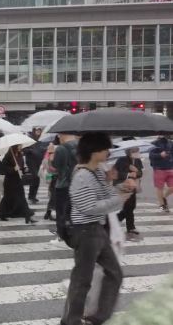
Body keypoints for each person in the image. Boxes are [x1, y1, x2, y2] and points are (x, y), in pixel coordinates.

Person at [61, 132, 135, 325]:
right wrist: (119, 199)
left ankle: (98, 317)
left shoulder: (97, 172)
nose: (108, 152)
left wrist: (118, 185)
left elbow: (107, 197)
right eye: (105, 149)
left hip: (98, 230)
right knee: (82, 279)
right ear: (94, 151)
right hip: (85, 231)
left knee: (114, 273)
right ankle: (71, 320)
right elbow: (88, 207)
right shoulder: (82, 175)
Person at [0, 145, 37, 224]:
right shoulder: (8, 156)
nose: (21, 147)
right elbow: (4, 169)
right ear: (15, 146)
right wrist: (13, 169)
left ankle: (28, 215)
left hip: (18, 180)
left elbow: (21, 167)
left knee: (22, 197)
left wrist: (24, 169)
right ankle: (1, 214)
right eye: (19, 145)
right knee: (7, 198)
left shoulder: (20, 155)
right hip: (10, 181)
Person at [53, 133, 79, 241]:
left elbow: (55, 167)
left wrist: (51, 154)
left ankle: (62, 233)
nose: (58, 137)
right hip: (77, 183)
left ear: (63, 135)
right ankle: (74, 231)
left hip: (63, 184)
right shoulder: (80, 146)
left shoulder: (60, 148)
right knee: (74, 209)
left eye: (59, 135)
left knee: (61, 211)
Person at [115, 147, 144, 241]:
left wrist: (136, 171)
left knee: (131, 206)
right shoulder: (121, 160)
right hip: (123, 185)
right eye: (134, 151)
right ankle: (130, 227)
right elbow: (116, 173)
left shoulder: (138, 160)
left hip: (133, 185)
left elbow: (140, 173)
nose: (136, 152)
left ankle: (114, 221)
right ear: (128, 152)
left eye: (137, 150)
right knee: (129, 206)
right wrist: (128, 174)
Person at [149, 135, 173, 212]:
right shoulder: (154, 143)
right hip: (159, 169)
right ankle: (162, 206)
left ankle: (163, 198)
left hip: (170, 168)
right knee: (160, 188)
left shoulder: (170, 143)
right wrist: (160, 155)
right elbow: (151, 155)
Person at [24, 127, 45, 204]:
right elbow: (24, 150)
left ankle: (33, 196)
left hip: (39, 161)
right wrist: (31, 151)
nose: (38, 132)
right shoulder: (29, 139)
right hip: (31, 161)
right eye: (37, 130)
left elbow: (43, 149)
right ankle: (31, 196)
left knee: (37, 178)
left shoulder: (42, 140)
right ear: (34, 131)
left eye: (40, 130)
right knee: (35, 177)